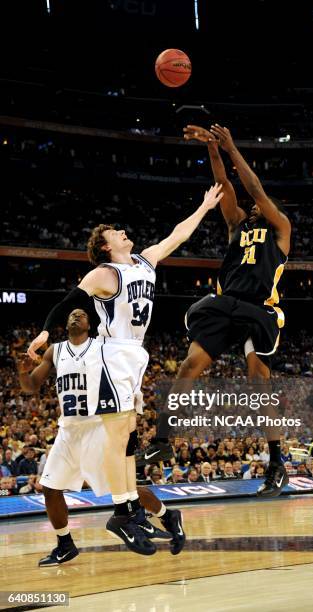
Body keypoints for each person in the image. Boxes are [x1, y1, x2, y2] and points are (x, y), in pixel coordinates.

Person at [27, 185, 222, 554]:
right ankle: (126, 512)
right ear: (105, 246)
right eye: (114, 232)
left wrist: (203, 207)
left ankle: (140, 512)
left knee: (127, 436)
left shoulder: (146, 261)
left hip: (135, 355)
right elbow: (70, 300)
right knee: (118, 435)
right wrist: (42, 332)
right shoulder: (104, 273)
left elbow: (177, 235)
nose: (122, 231)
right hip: (111, 353)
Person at [144, 124, 291, 497]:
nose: (255, 203)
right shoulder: (236, 226)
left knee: (259, 385)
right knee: (188, 366)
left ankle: (276, 463)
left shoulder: (280, 228)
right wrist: (213, 149)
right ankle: (163, 437)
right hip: (226, 304)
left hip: (258, 308)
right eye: (255, 204)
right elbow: (225, 185)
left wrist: (231, 146)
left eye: (261, 203)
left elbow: (254, 188)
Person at [18, 309, 179, 564]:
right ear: (65, 322)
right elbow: (30, 387)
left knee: (126, 490)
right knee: (50, 489)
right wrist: (22, 370)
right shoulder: (55, 351)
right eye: (71, 314)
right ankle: (65, 544)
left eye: (81, 314)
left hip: (98, 428)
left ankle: (166, 514)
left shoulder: (103, 347)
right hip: (68, 431)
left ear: (90, 323)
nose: (75, 316)